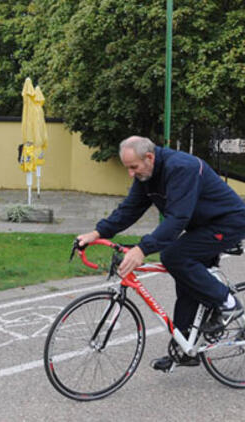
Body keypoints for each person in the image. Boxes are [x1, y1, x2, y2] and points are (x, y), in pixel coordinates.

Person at [77, 136, 245, 371]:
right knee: (187, 282)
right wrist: (96, 233)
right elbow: (129, 209)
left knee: (174, 256)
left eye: (133, 167)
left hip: (227, 223)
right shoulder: (147, 175)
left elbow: (177, 218)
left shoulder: (182, 168)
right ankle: (184, 348)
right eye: (128, 168)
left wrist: (143, 248)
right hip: (201, 226)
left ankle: (227, 303)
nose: (130, 173)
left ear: (150, 157)